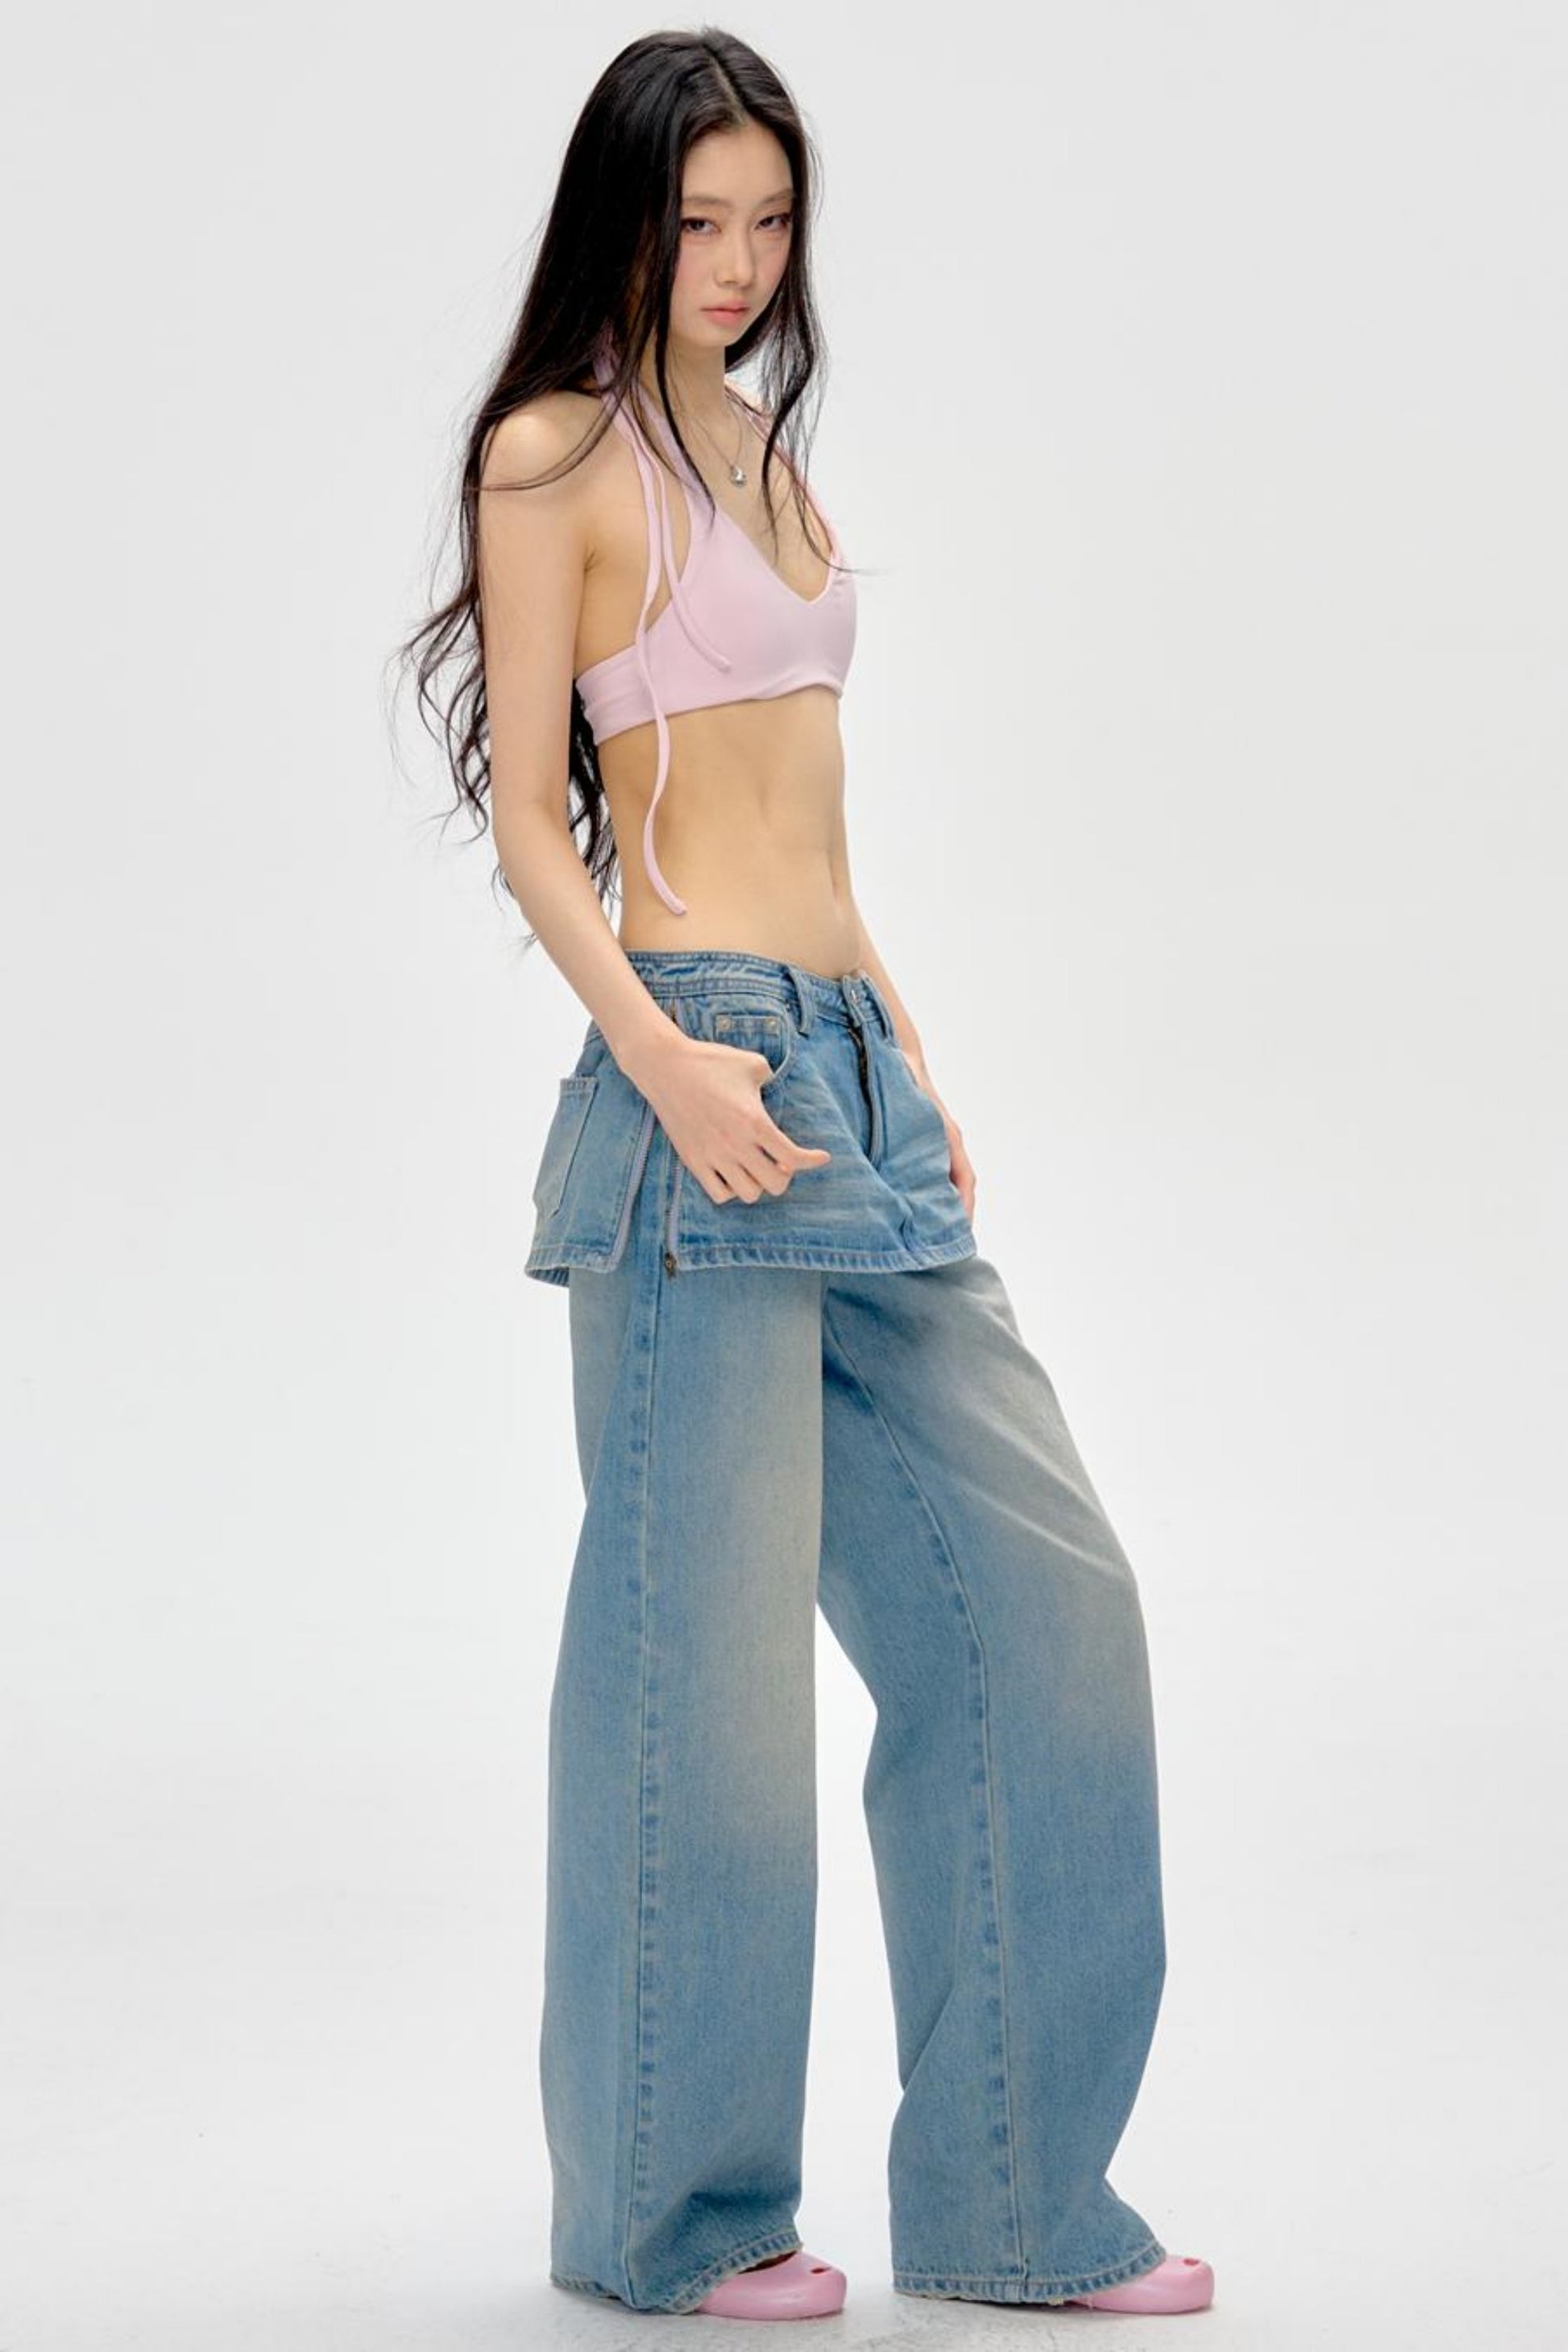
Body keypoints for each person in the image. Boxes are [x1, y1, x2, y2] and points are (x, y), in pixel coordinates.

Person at [398, 26, 1214, 2324]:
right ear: (625, 219)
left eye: (769, 221)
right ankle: (670, 2220)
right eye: (699, 221)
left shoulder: (764, 450)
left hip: (844, 1065)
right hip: (694, 1069)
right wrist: (663, 1060)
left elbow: (807, 810)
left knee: (1050, 1611)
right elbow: (532, 821)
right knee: (703, 1683)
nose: (740, 262)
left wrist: (903, 1037)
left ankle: (1014, 2198)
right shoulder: (556, 452)